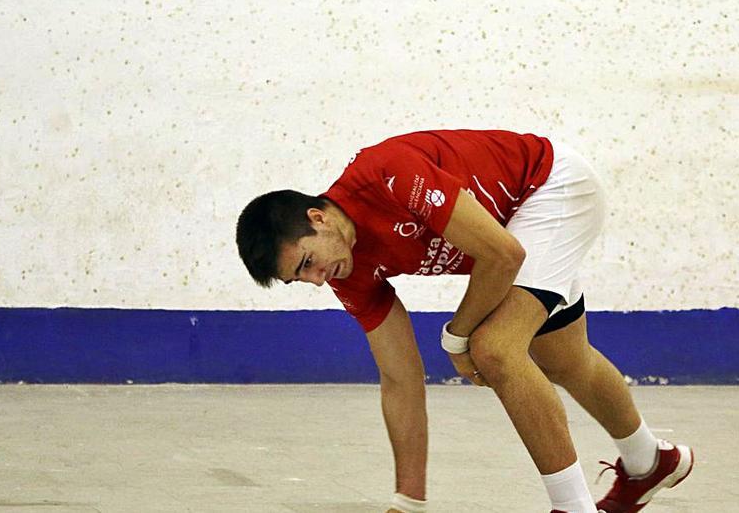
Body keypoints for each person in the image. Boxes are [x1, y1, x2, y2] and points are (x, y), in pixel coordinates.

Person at [236, 129, 693, 513]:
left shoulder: (388, 174)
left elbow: (503, 254)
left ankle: (572, 508)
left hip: (552, 188)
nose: (318, 280)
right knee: (563, 358)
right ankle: (650, 461)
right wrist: (408, 501)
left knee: (495, 348)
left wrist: (458, 336)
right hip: (521, 228)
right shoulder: (346, 271)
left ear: (318, 218)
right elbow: (400, 378)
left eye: (309, 261)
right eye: (302, 278)